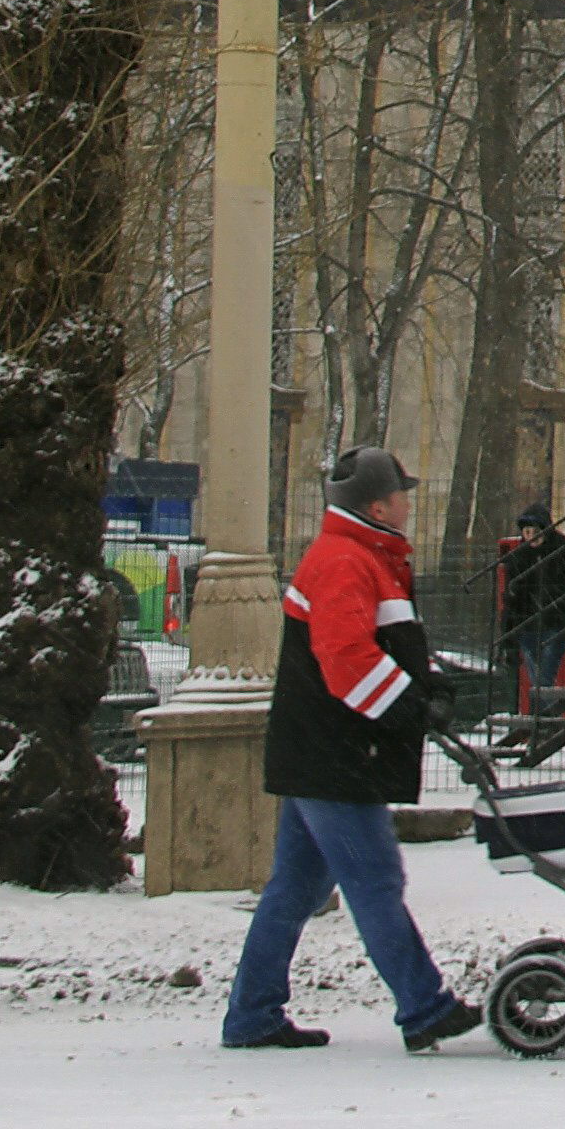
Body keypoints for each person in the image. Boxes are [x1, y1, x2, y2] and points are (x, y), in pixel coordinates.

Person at [221, 446, 484, 1053]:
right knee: (374, 877)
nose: (408, 502)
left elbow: (379, 647)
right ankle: (424, 1007)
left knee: (295, 888)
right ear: (377, 505)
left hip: (322, 750)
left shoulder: (360, 555)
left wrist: (428, 685)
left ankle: (253, 1015)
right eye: (402, 493)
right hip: (335, 755)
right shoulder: (347, 560)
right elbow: (346, 662)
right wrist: (413, 709)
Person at [495, 504, 565, 702]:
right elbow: (512, 598)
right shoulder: (519, 558)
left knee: (543, 673)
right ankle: (546, 713)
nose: (531, 536)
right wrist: (508, 633)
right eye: (527, 531)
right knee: (539, 673)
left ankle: (545, 714)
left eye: (535, 531)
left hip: (556, 621)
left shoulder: (564, 553)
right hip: (528, 623)